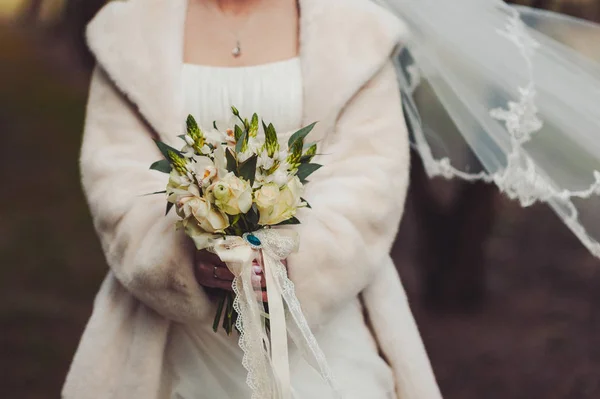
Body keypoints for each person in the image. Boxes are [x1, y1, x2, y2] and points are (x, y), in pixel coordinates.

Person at [62, 0, 442, 398]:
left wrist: (287, 261)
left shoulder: (356, 29)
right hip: (179, 338)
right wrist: (186, 260)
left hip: (321, 326)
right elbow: (116, 173)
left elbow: (371, 173)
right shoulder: (129, 30)